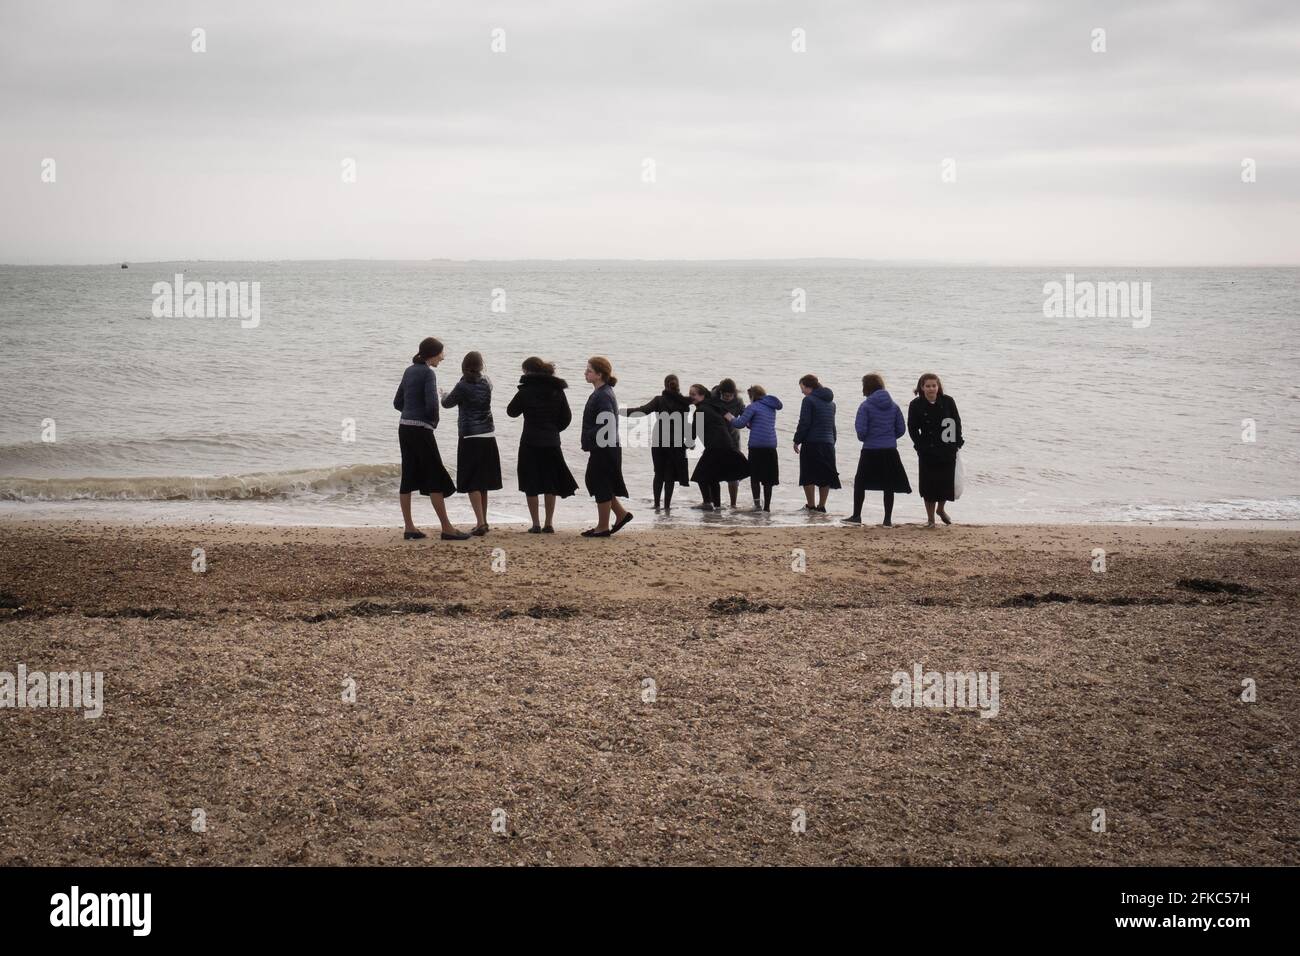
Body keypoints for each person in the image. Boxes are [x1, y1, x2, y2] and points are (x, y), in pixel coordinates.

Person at [393, 337, 470, 541]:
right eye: (441, 354)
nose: (442, 358)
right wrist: (432, 422)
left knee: (408, 475)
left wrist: (410, 412)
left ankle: (409, 527)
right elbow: (432, 405)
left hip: (404, 427)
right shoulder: (428, 373)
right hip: (421, 431)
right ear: (433, 354)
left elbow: (397, 401)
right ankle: (447, 528)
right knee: (435, 475)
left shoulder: (409, 371)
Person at [505, 356, 578, 533]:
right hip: (551, 441)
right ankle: (549, 523)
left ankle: (535, 524)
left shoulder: (526, 390)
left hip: (530, 441)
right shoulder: (557, 390)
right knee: (550, 482)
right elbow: (566, 417)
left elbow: (511, 412)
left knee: (531, 483)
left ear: (528, 372)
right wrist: (553, 430)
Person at [441, 351, 502, 536]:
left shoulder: (462, 385)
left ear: (464, 366)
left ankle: (481, 523)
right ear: (481, 365)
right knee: (483, 481)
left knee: (472, 481)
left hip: (469, 437)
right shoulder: (487, 382)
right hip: (488, 434)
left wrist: (442, 395)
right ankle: (484, 520)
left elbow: (447, 404)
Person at [846, 373, 912, 526]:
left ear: (866, 387)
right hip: (890, 450)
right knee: (888, 484)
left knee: (860, 482)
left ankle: (856, 516)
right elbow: (901, 429)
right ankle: (887, 520)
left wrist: (869, 438)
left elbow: (861, 432)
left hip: (870, 449)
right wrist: (889, 437)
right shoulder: (894, 406)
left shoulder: (866, 405)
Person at [579, 356, 634, 537]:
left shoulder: (603, 394)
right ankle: (621, 514)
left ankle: (603, 526)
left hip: (605, 446)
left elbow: (607, 421)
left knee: (599, 482)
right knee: (597, 481)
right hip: (605, 445)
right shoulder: (602, 392)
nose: (585, 373)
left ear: (599, 374)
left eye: (589, 371)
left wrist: (590, 436)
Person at [907, 372, 964, 527]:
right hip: (927, 450)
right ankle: (930, 519)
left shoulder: (948, 401)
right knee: (928, 486)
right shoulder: (915, 405)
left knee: (945, 484)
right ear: (922, 387)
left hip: (947, 448)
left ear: (938, 387)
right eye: (928, 386)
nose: (931, 389)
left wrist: (957, 443)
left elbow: (956, 422)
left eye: (934, 385)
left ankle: (941, 509)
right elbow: (912, 428)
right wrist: (919, 446)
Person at [627, 374, 692, 510]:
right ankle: (667, 506)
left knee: (659, 474)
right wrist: (690, 441)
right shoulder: (684, 403)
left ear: (665, 385)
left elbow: (642, 411)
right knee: (669, 476)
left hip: (659, 441)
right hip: (676, 443)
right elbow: (686, 425)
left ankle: (656, 505)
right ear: (678, 385)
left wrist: (620, 411)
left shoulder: (659, 400)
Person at [688, 383, 750, 511]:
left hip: (716, 447)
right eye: (690, 394)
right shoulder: (713, 406)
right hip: (726, 445)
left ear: (702, 395)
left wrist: (688, 444)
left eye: (693, 394)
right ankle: (717, 506)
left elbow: (693, 431)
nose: (691, 397)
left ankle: (707, 503)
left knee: (701, 476)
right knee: (713, 477)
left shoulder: (701, 410)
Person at [726, 385, 782, 511]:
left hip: (756, 446)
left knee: (755, 476)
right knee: (768, 479)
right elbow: (758, 423)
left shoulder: (753, 407)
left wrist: (729, 417)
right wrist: (750, 423)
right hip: (771, 445)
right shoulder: (771, 407)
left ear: (753, 396)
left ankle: (757, 505)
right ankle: (767, 507)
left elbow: (739, 424)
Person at [792, 373, 840, 512]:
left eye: (802, 388)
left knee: (808, 475)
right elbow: (832, 426)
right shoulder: (831, 403)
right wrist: (832, 441)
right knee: (825, 476)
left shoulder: (808, 400)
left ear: (809, 387)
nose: (801, 391)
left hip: (812, 443)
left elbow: (804, 422)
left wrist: (797, 440)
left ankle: (811, 506)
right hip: (828, 443)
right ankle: (822, 506)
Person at [712, 379, 746, 507]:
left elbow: (744, 416)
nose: (728, 398)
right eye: (725, 396)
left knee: (733, 474)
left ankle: (733, 504)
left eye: (730, 396)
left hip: (733, 439)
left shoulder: (738, 401)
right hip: (716, 439)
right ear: (720, 392)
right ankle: (713, 503)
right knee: (713, 471)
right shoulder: (713, 397)